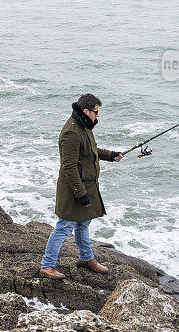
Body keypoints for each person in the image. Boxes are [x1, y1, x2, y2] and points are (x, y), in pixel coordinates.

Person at [38, 93, 124, 279]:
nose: (97, 115)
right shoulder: (71, 132)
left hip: (86, 184)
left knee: (83, 223)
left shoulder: (84, 125)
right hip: (73, 188)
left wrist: (111, 155)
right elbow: (68, 167)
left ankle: (86, 258)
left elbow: (90, 151)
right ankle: (47, 265)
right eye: (96, 112)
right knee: (64, 227)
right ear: (86, 111)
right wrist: (81, 194)